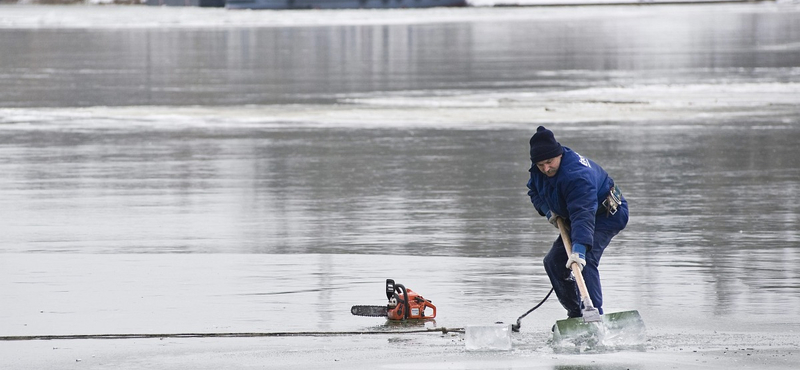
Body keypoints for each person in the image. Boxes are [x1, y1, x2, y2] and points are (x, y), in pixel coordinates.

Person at [526, 126, 628, 319]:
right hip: (575, 216)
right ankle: (576, 314)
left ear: (559, 155)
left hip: (606, 213)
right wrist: (549, 212)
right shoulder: (538, 171)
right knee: (553, 262)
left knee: (585, 261)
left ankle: (593, 315)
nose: (546, 168)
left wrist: (579, 250)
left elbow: (583, 214)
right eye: (541, 165)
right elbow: (534, 192)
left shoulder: (577, 175)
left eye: (549, 162)